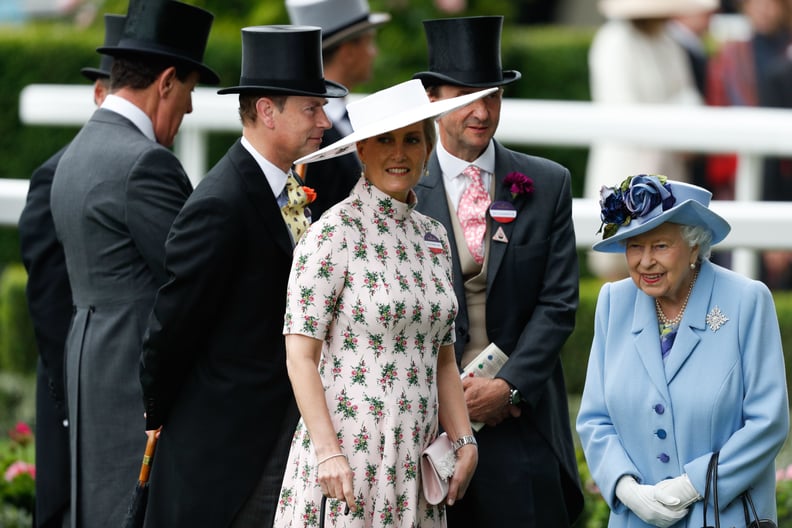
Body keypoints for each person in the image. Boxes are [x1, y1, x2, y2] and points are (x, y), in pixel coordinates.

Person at [138, 25, 347, 527]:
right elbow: (171, 328)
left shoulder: (295, 182)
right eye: (311, 108)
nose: (324, 119)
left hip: (286, 431)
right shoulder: (220, 203)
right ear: (267, 111)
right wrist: (160, 415)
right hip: (229, 446)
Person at [273, 78, 494, 527]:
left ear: (428, 148)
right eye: (385, 141)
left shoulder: (434, 237)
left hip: (418, 461)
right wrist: (327, 452)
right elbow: (300, 357)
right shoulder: (332, 234)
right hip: (346, 460)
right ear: (361, 151)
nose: (399, 153)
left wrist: (465, 440)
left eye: (412, 139)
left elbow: (443, 357)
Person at [48, 1, 218, 526]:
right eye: (189, 91)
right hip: (132, 380)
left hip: (88, 366)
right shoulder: (144, 162)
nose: (189, 109)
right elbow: (192, 279)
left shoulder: (77, 151)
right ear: (166, 81)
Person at [412, 15, 584, 527]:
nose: (482, 111)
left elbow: (559, 305)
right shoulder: (400, 189)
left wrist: (507, 387)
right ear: (432, 99)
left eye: (492, 95)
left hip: (518, 424)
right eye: (465, 95)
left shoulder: (545, 183)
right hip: (426, 433)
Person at [577, 174, 789, 527]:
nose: (645, 262)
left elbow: (768, 422)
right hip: (635, 519)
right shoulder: (613, 303)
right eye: (634, 246)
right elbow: (595, 420)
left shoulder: (746, 302)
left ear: (694, 245)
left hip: (723, 517)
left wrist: (694, 485)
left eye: (660, 245)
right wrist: (627, 489)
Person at [18, 14, 123, 528]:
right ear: (101, 93)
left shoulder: (141, 164)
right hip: (73, 380)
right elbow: (47, 301)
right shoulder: (53, 175)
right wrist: (73, 392)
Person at [586, 0, 716, 280]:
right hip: (625, 167)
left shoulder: (669, 41)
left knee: (673, 270)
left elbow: (688, 95)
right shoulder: (613, 41)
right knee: (621, 267)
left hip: (670, 170)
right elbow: (622, 109)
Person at [286, 0, 390, 219]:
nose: (374, 52)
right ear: (348, 52)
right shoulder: (306, 137)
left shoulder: (352, 120)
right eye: (369, 42)